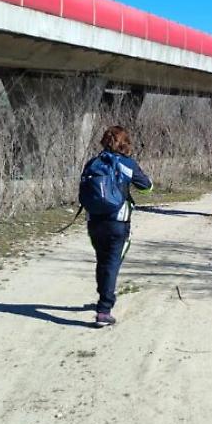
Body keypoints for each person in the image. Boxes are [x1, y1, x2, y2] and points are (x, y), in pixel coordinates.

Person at [85, 126, 153, 326]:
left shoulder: (92, 163)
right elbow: (147, 187)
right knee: (113, 261)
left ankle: (103, 296)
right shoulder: (127, 164)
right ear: (124, 143)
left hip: (94, 221)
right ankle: (104, 310)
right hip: (118, 221)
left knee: (102, 259)